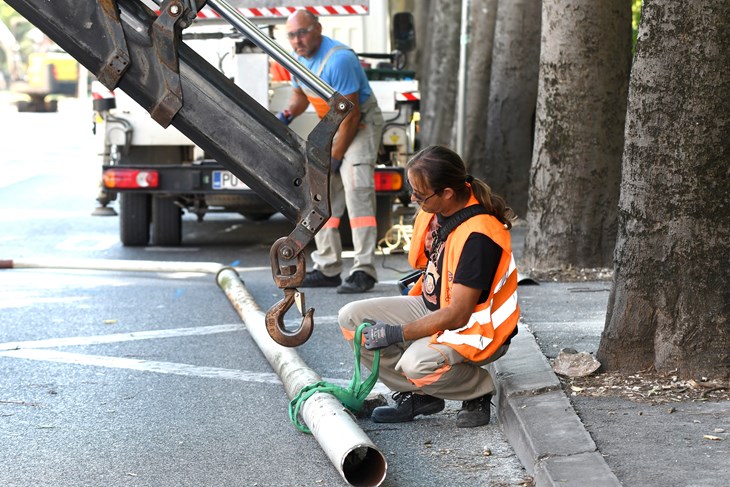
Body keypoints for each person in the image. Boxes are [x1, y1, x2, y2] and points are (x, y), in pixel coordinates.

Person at [338, 145, 520, 428]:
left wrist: (396, 333)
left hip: (477, 328)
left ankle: (478, 390)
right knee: (352, 319)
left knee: (417, 364)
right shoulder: (438, 208)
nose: (413, 198)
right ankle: (419, 395)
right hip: (436, 306)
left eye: (420, 194)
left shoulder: (480, 236)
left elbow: (459, 314)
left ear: (447, 192)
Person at [277, 10, 384, 294]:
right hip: (333, 125)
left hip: (359, 125)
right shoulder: (297, 60)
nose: (297, 40)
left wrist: (335, 159)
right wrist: (286, 114)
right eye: (291, 35)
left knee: (356, 188)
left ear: (318, 29)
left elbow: (351, 116)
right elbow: (300, 96)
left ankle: (364, 270)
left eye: (302, 32)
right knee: (320, 192)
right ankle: (328, 267)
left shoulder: (339, 59)